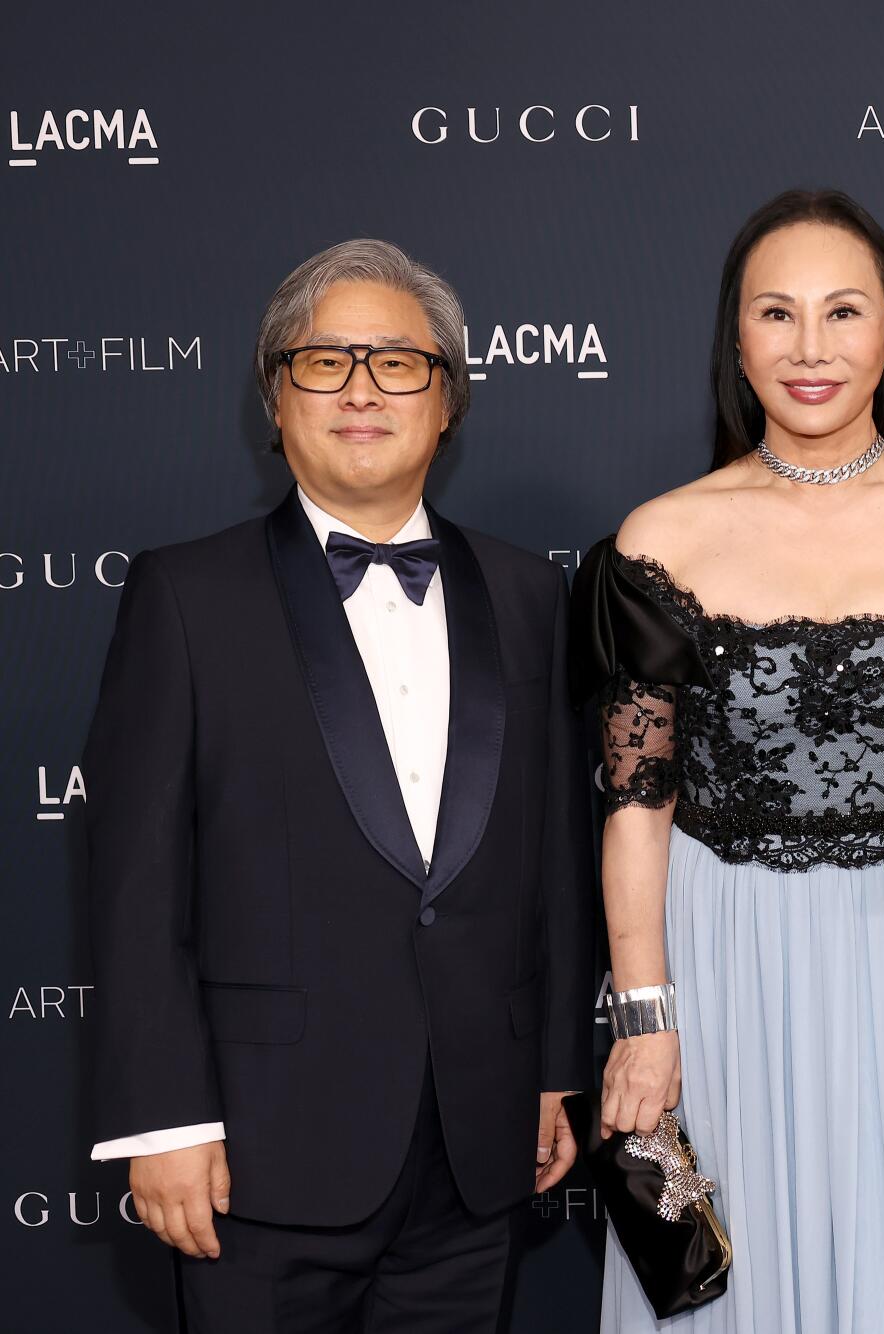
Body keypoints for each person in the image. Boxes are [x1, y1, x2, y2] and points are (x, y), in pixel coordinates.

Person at [84, 238, 594, 1331]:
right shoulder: (184, 594)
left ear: (447, 400)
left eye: (398, 362)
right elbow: (135, 883)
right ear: (275, 394)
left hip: (475, 1146)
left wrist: (553, 1065)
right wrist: (163, 1117)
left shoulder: (526, 591)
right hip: (255, 1159)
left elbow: (553, 854)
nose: (362, 388)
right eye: (324, 361)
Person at [572, 189, 884, 1334]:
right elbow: (637, 807)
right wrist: (645, 1018)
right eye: (775, 314)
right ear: (736, 338)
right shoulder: (657, 538)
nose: (809, 347)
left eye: (841, 313)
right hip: (726, 961)